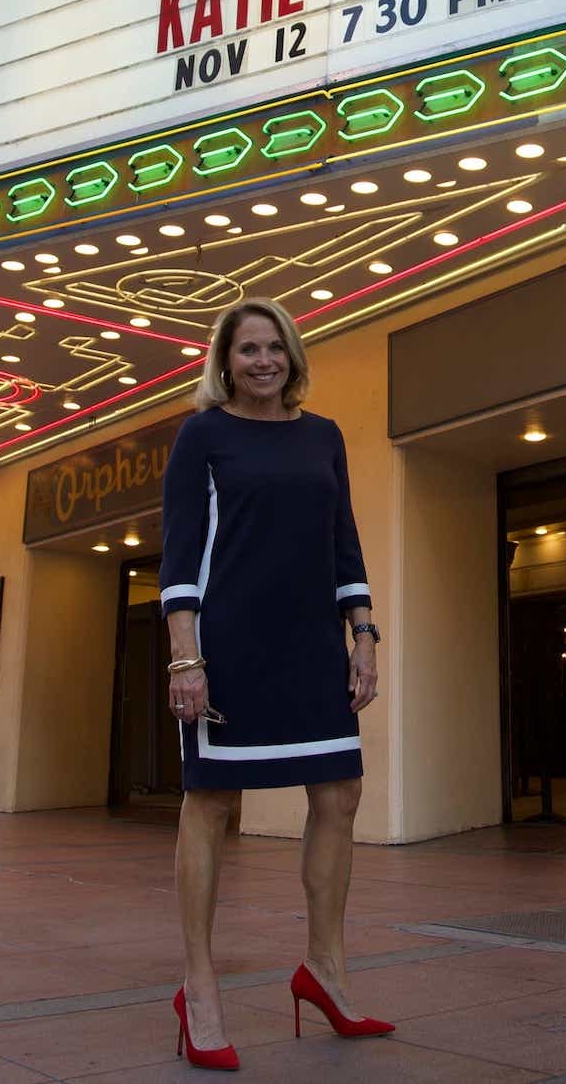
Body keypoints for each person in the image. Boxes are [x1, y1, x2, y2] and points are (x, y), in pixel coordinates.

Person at [160, 296, 394, 1070]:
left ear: (293, 357)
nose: (263, 361)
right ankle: (199, 986)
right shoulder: (203, 435)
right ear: (224, 361)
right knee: (212, 801)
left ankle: (323, 968)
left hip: (308, 646)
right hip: (227, 646)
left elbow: (344, 545)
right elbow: (182, 552)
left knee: (339, 796)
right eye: (248, 349)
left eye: (276, 348)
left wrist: (362, 636)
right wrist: (185, 657)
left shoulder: (323, 436)